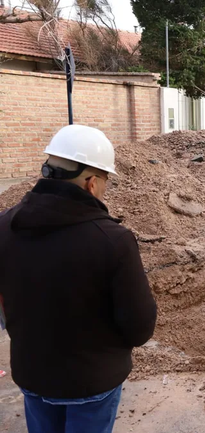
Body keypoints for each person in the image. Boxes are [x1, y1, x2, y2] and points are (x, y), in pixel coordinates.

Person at [0, 124, 157, 433]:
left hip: (33, 374)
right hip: (91, 382)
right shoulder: (113, 240)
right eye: (106, 182)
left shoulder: (4, 226)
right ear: (91, 183)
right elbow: (139, 328)